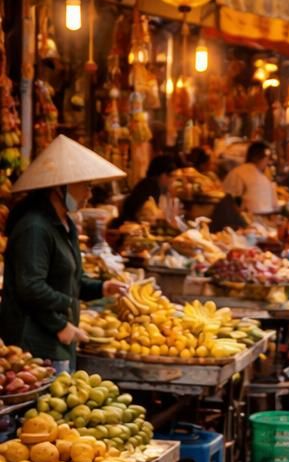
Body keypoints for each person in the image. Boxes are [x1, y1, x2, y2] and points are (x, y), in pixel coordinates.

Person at [0, 136, 128, 365]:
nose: (89, 194)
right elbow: (30, 287)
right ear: (60, 188)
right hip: (33, 347)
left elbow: (70, 279)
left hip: (57, 343)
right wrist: (59, 322)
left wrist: (102, 287)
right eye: (85, 186)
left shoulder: (63, 225)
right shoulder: (35, 228)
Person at [110, 154, 178, 229]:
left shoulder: (148, 184)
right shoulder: (151, 187)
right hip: (128, 228)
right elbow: (147, 216)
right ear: (163, 175)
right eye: (173, 176)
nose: (173, 181)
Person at [223, 141, 277, 217]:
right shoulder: (263, 177)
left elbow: (227, 198)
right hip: (262, 220)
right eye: (266, 159)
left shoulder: (238, 172)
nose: (267, 163)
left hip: (248, 220)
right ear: (257, 157)